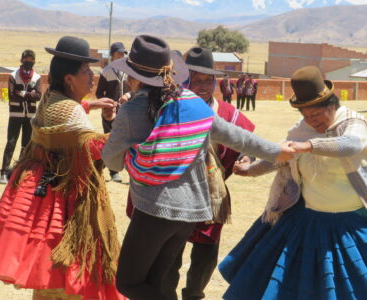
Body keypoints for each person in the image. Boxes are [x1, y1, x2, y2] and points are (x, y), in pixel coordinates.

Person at [101, 34, 295, 300]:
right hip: (191, 211)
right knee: (154, 282)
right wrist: (277, 151)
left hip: (154, 210)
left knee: (129, 284)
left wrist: (137, 155)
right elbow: (236, 136)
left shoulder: (133, 110)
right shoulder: (192, 104)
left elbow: (111, 161)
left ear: (135, 77)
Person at [0, 36, 125, 300]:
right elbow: (92, 148)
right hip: (64, 199)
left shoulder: (49, 99)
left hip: (43, 192)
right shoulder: (71, 112)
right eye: (86, 71)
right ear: (69, 79)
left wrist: (91, 104)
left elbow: (63, 119)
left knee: (47, 270)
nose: (92, 77)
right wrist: (125, 129)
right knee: (68, 267)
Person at [219, 66, 367, 300]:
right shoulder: (302, 131)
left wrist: (309, 146)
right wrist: (250, 171)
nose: (311, 121)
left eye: (316, 115)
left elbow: (349, 145)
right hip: (306, 221)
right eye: (305, 116)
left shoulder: (353, 123)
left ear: (331, 105)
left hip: (349, 223)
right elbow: (281, 156)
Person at [161, 47, 256, 300]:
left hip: (211, 198)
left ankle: (194, 294)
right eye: (196, 81)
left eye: (208, 81)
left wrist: (248, 157)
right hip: (176, 197)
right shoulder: (171, 110)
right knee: (170, 255)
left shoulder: (229, 115)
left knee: (205, 257)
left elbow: (250, 144)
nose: (203, 87)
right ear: (184, 81)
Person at [0, 49, 42, 184]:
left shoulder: (37, 77)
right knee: (11, 142)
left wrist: (23, 93)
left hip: (30, 115)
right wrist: (31, 93)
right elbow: (11, 94)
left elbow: (39, 96)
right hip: (15, 114)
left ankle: (20, 171)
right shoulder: (13, 76)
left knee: (26, 144)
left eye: (31, 60)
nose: (28, 62)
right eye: (26, 59)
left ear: (34, 61)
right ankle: (4, 172)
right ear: (22, 60)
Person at [95, 42, 130, 183]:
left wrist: (128, 97)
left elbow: (133, 89)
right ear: (112, 55)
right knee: (110, 141)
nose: (122, 56)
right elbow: (98, 93)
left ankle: (127, 168)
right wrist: (107, 103)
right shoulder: (106, 71)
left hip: (126, 112)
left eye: (123, 54)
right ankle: (113, 172)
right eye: (119, 53)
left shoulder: (128, 71)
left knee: (126, 140)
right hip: (110, 113)